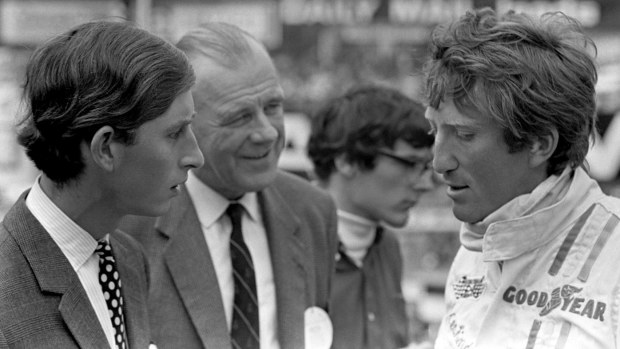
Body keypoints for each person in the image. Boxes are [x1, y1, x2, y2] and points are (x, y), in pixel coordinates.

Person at [120, 22, 338, 349]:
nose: (267, 132)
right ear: (186, 123)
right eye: (240, 117)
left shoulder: (313, 212)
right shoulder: (128, 227)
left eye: (273, 107)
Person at [423, 7, 620, 348]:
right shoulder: (475, 247)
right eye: (434, 129)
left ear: (539, 143)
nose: (438, 162)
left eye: (464, 134)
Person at [0, 20, 203, 349]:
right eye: (174, 133)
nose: (195, 156)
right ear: (106, 148)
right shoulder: (7, 294)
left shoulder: (127, 258)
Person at [307, 85, 435, 349]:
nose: (425, 184)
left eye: (426, 167)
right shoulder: (289, 244)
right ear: (347, 161)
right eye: (410, 164)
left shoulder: (386, 246)